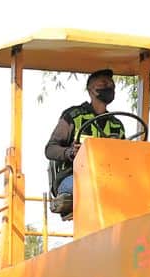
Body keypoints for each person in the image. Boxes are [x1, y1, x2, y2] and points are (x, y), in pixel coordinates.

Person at [46, 68, 126, 216]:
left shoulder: (116, 124)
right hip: (73, 177)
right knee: (97, 187)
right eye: (103, 83)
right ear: (91, 90)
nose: (109, 86)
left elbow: (125, 156)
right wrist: (70, 152)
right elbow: (50, 149)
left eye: (111, 83)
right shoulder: (73, 116)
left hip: (107, 177)